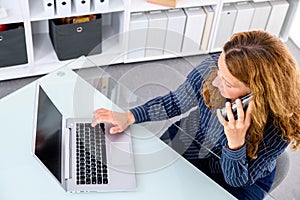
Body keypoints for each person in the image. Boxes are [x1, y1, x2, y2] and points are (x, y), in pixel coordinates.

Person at [91, 30, 300, 199]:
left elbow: (237, 180)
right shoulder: (218, 67)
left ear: (258, 92)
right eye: (219, 71)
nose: (216, 83)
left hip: (241, 179)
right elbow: (175, 102)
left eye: (227, 83)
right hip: (193, 142)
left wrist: (235, 144)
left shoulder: (281, 125)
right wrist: (129, 115)